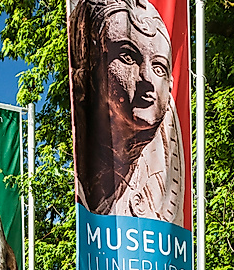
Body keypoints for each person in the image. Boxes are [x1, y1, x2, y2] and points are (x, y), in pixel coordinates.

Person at [69, 0, 185, 225]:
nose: (148, 79)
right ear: (91, 66)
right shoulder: (89, 165)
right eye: (128, 57)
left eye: (159, 67)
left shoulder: (163, 174)